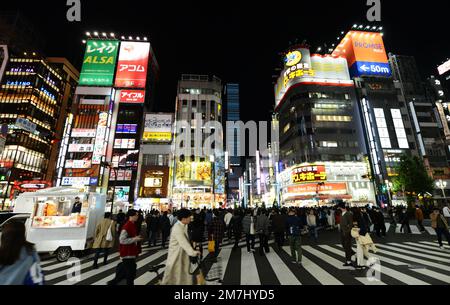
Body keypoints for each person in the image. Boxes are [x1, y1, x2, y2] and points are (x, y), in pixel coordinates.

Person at [161, 209, 201, 285]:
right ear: (184, 218)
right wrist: (193, 252)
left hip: (182, 255)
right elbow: (183, 242)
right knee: (172, 279)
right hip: (176, 257)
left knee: (182, 277)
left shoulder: (184, 225)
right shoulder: (177, 228)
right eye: (189, 216)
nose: (191, 218)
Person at [108, 210, 143, 286]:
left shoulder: (132, 224)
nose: (137, 217)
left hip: (130, 253)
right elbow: (122, 240)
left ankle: (114, 281)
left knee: (128, 272)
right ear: (131, 216)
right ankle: (115, 281)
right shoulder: (127, 226)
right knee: (130, 274)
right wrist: (135, 239)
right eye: (136, 215)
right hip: (127, 254)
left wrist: (135, 238)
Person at [338, 201, 354, 267]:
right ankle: (353, 253)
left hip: (347, 233)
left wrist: (347, 231)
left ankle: (348, 261)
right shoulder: (341, 214)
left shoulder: (348, 214)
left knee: (347, 246)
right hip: (342, 232)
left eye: (339, 207)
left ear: (341, 207)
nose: (339, 208)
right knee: (344, 245)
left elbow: (351, 224)